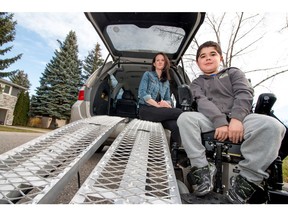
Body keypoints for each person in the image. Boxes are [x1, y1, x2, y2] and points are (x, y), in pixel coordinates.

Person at [177, 41, 286, 203]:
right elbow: (201, 101)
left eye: (212, 54)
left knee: (273, 126)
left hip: (241, 117)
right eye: (202, 56)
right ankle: (201, 169)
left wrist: (236, 119)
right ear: (197, 62)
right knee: (185, 118)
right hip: (210, 119)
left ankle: (248, 180)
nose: (207, 58)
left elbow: (244, 93)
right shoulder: (197, 83)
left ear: (220, 57)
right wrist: (220, 122)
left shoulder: (233, 73)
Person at [138, 52, 182, 152]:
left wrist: (166, 104)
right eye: (157, 60)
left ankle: (174, 156)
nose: (160, 62)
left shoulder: (166, 82)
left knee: (175, 126)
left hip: (159, 112)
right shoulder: (148, 75)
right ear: (154, 63)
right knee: (179, 112)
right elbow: (142, 93)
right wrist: (157, 105)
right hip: (146, 109)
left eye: (162, 60)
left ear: (165, 63)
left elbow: (168, 99)